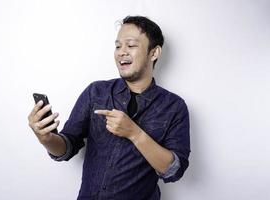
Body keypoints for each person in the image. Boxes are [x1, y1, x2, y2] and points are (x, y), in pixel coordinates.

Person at [28, 15, 190, 200]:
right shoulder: (96, 92)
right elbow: (67, 147)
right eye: (118, 46)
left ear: (154, 53)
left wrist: (134, 133)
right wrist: (46, 138)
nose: (121, 52)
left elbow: (174, 170)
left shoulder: (174, 106)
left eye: (131, 45)